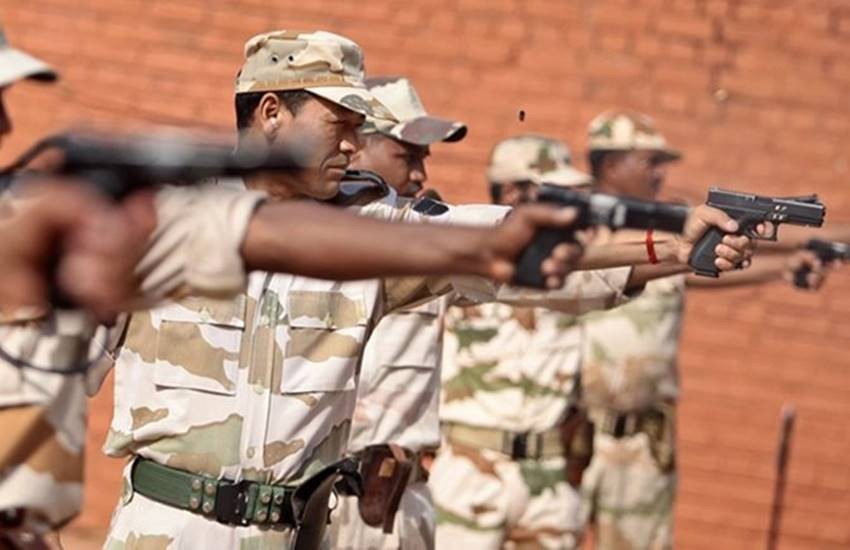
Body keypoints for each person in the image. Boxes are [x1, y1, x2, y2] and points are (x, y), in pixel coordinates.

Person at [99, 30, 616, 550]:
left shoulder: (372, 226)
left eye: (358, 127)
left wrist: (657, 244)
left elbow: (503, 239)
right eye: (339, 124)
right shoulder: (155, 222)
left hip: (296, 534)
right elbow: (50, 373)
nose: (353, 144)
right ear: (272, 112)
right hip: (165, 533)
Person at [577, 111, 830, 550]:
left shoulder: (673, 225)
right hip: (572, 434)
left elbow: (693, 270)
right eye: (649, 161)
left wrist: (782, 266)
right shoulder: (572, 223)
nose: (660, 173)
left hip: (642, 441)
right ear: (611, 164)